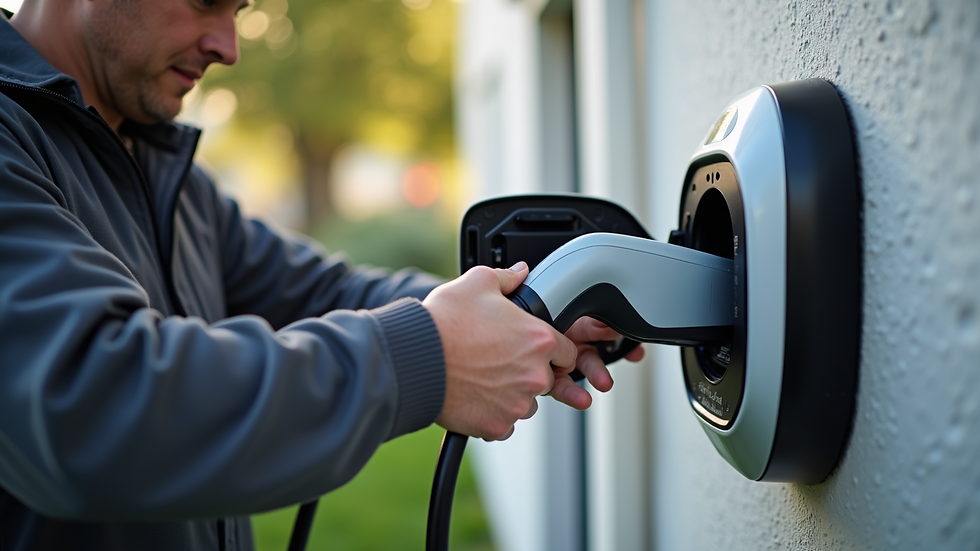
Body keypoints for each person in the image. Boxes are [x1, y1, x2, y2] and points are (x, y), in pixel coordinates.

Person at [0, 0, 644, 549]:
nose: (227, 47)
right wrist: (430, 357)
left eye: (240, 10)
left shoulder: (166, 174)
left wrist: (522, 314)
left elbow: (319, 291)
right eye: (205, 1)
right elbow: (89, 404)